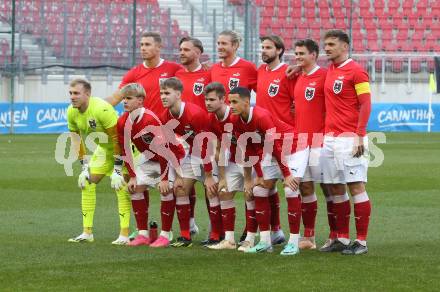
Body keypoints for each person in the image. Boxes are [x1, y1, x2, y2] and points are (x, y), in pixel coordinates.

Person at [228, 87, 300, 255]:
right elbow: (249, 149)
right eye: (229, 101)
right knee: (259, 190)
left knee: (290, 190)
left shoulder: (261, 116)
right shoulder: (236, 120)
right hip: (273, 152)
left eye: (234, 102)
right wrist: (259, 176)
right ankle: (265, 242)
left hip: (294, 147)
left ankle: (294, 243)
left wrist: (287, 174)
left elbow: (275, 145)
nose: (231, 105)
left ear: (246, 102)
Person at [320, 30, 372, 255]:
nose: (327, 48)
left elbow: (366, 104)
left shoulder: (357, 71)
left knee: (356, 187)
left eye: (332, 44)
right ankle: (341, 238)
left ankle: (361, 242)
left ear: (345, 46)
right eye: (325, 44)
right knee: (334, 188)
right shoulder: (331, 70)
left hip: (350, 138)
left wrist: (359, 134)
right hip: (330, 138)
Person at [116, 83, 184, 247]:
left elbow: (165, 150)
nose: (124, 101)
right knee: (135, 187)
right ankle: (142, 234)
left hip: (173, 156)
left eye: (129, 98)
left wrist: (164, 178)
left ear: (140, 101)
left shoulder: (149, 119)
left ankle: (165, 235)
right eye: (123, 98)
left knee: (165, 189)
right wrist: (132, 176)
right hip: (150, 158)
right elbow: (126, 151)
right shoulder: (122, 121)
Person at [66, 78, 131, 245]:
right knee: (86, 182)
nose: (72, 97)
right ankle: (87, 233)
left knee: (121, 187)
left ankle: (124, 235)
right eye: (71, 93)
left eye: (76, 93)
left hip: (124, 149)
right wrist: (84, 167)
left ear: (87, 94)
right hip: (103, 150)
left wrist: (117, 170)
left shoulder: (101, 108)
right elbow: (76, 140)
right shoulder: (71, 112)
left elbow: (118, 139)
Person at [159, 77, 221, 247]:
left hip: (211, 151)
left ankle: (216, 235)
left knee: (212, 191)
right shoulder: (164, 117)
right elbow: (170, 147)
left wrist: (208, 175)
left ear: (178, 94)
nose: (163, 97)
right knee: (179, 189)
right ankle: (185, 236)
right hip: (193, 153)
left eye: (167, 93)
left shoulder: (194, 113)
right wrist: (178, 175)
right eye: (161, 93)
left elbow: (206, 145)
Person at [202, 82, 258, 251]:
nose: (208, 103)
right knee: (224, 192)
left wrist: (248, 179)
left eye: (212, 100)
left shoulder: (235, 115)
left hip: (252, 159)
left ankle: (250, 238)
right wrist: (222, 177)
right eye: (206, 100)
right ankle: (229, 240)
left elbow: (250, 146)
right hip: (233, 160)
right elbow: (219, 148)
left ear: (222, 99)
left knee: (251, 195)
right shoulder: (212, 119)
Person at [256, 35, 300, 245]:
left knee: (291, 187)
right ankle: (273, 233)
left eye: (268, 47)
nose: (263, 50)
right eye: (262, 47)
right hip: (266, 138)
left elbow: (298, 101)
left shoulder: (288, 73)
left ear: (280, 50)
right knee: (263, 187)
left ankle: (300, 237)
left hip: (287, 137)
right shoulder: (259, 72)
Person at [293, 39, 334, 250]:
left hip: (320, 139)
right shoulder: (297, 76)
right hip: (301, 141)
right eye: (296, 53)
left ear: (314, 55)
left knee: (329, 187)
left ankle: (335, 234)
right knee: (305, 187)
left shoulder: (325, 76)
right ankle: (308, 237)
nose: (298, 57)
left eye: (302, 53)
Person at [175, 36, 213, 235]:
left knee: (210, 186)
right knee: (182, 185)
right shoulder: (177, 74)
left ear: (198, 53)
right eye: (180, 49)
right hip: (183, 140)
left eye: (186, 50)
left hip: (205, 138)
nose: (182, 52)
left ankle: (215, 229)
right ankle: (188, 226)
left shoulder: (209, 74)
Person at [211, 30, 257, 100]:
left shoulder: (248, 67)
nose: (219, 47)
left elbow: (262, 93)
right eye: (218, 43)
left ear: (235, 45)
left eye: (224, 43)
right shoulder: (214, 68)